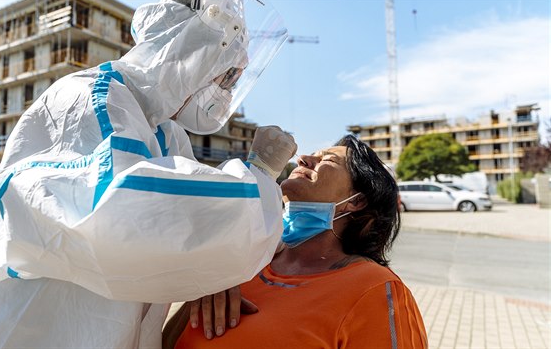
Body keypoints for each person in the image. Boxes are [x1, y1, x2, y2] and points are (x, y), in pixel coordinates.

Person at [0, 0, 295, 348]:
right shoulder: (91, 98)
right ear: (192, 49)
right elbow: (126, 214)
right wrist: (259, 175)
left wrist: (218, 266)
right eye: (223, 74)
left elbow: (190, 233)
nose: (223, 90)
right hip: (18, 334)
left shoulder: (165, 134)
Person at [169, 134, 428, 348]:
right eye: (310, 154)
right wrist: (207, 285)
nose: (303, 159)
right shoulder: (245, 260)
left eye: (328, 159)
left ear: (357, 200)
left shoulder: (375, 290)